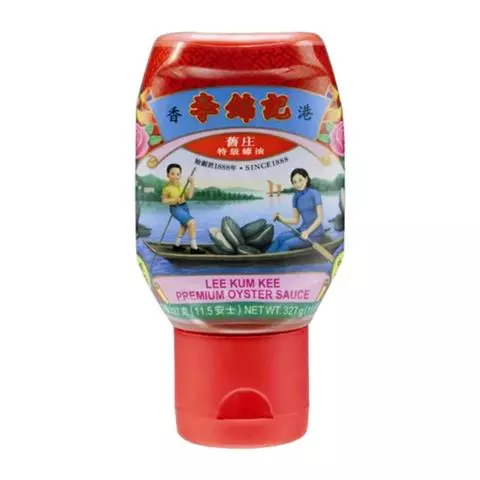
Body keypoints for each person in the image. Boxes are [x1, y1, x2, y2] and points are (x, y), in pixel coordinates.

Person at [267, 168, 324, 252]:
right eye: (295, 182)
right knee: (280, 237)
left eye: (300, 180)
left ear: (306, 178)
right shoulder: (296, 197)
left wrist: (307, 232)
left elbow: (320, 218)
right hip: (302, 230)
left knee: (287, 243)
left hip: (315, 234)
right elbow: (295, 220)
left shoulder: (315, 193)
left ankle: (275, 259)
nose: (298, 184)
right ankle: (266, 256)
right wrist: (281, 218)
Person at [161, 163, 204, 254]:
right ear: (168, 175)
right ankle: (194, 248)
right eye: (172, 174)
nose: (175, 176)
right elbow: (164, 201)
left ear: (180, 175)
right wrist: (174, 200)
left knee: (184, 225)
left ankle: (176, 246)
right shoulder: (167, 188)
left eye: (178, 174)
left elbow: (189, 196)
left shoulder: (182, 186)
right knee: (192, 223)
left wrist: (192, 183)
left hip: (185, 207)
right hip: (175, 208)